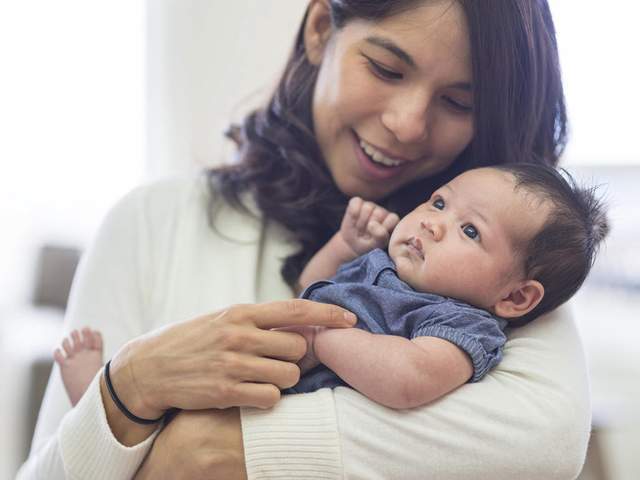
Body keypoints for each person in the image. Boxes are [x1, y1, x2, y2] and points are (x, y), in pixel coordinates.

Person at [18, 1, 593, 479]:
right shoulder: (151, 221)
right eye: (387, 69)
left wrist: (208, 449)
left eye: (458, 102)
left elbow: (546, 445)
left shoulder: (498, 276)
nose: (408, 123)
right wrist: (128, 386)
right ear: (321, 30)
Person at [53, 164, 608, 411]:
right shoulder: (382, 267)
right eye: (439, 202)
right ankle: (104, 402)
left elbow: (411, 380)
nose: (433, 222)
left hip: (284, 401)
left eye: (469, 230)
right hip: (257, 364)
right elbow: (310, 285)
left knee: (188, 432)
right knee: (180, 388)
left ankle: (109, 409)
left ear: (515, 297)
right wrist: (344, 246)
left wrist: (323, 339)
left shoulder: (463, 325)